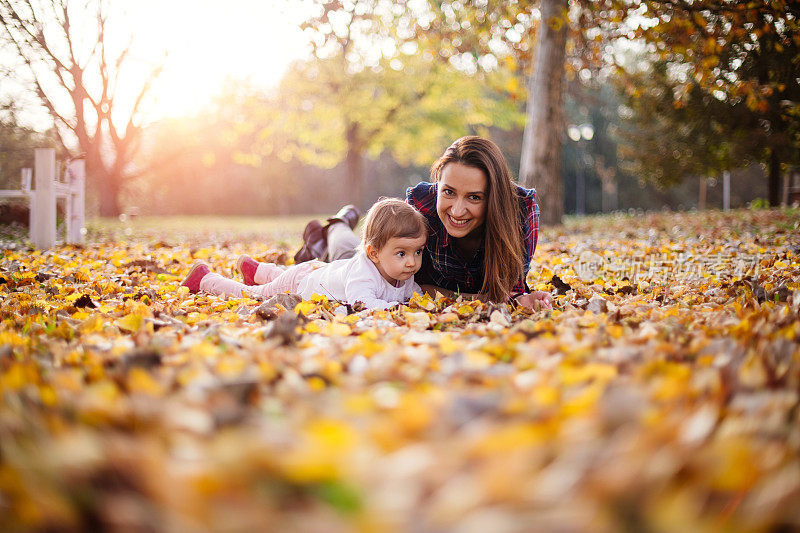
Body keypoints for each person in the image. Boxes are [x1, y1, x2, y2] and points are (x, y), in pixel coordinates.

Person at [294, 136, 553, 310]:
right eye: (448, 192)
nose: (458, 210)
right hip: (378, 269)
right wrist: (484, 299)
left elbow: (508, 292)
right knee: (349, 255)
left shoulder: (520, 212)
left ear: (494, 197)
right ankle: (337, 225)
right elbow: (411, 285)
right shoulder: (422, 205)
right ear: (437, 185)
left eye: (474, 197)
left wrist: (520, 300)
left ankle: (333, 228)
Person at [181, 199, 427, 310]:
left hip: (318, 272)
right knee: (257, 296)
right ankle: (204, 279)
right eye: (402, 253)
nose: (412, 262)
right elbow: (361, 302)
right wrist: (397, 308)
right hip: (301, 283)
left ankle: (256, 271)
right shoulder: (364, 274)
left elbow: (410, 293)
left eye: (418, 252)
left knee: (279, 277)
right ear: (373, 253)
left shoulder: (402, 271)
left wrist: (419, 301)